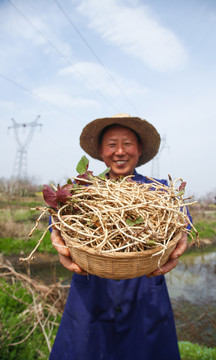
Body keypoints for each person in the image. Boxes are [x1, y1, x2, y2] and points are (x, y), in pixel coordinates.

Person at [49, 114, 189, 360]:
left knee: (146, 350)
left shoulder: (156, 190)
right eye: (112, 144)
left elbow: (179, 213)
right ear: (101, 152)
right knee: (85, 348)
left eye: (128, 143)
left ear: (140, 149)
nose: (120, 151)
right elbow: (60, 216)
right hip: (92, 287)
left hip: (144, 288)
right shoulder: (85, 190)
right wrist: (56, 234)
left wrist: (183, 233)